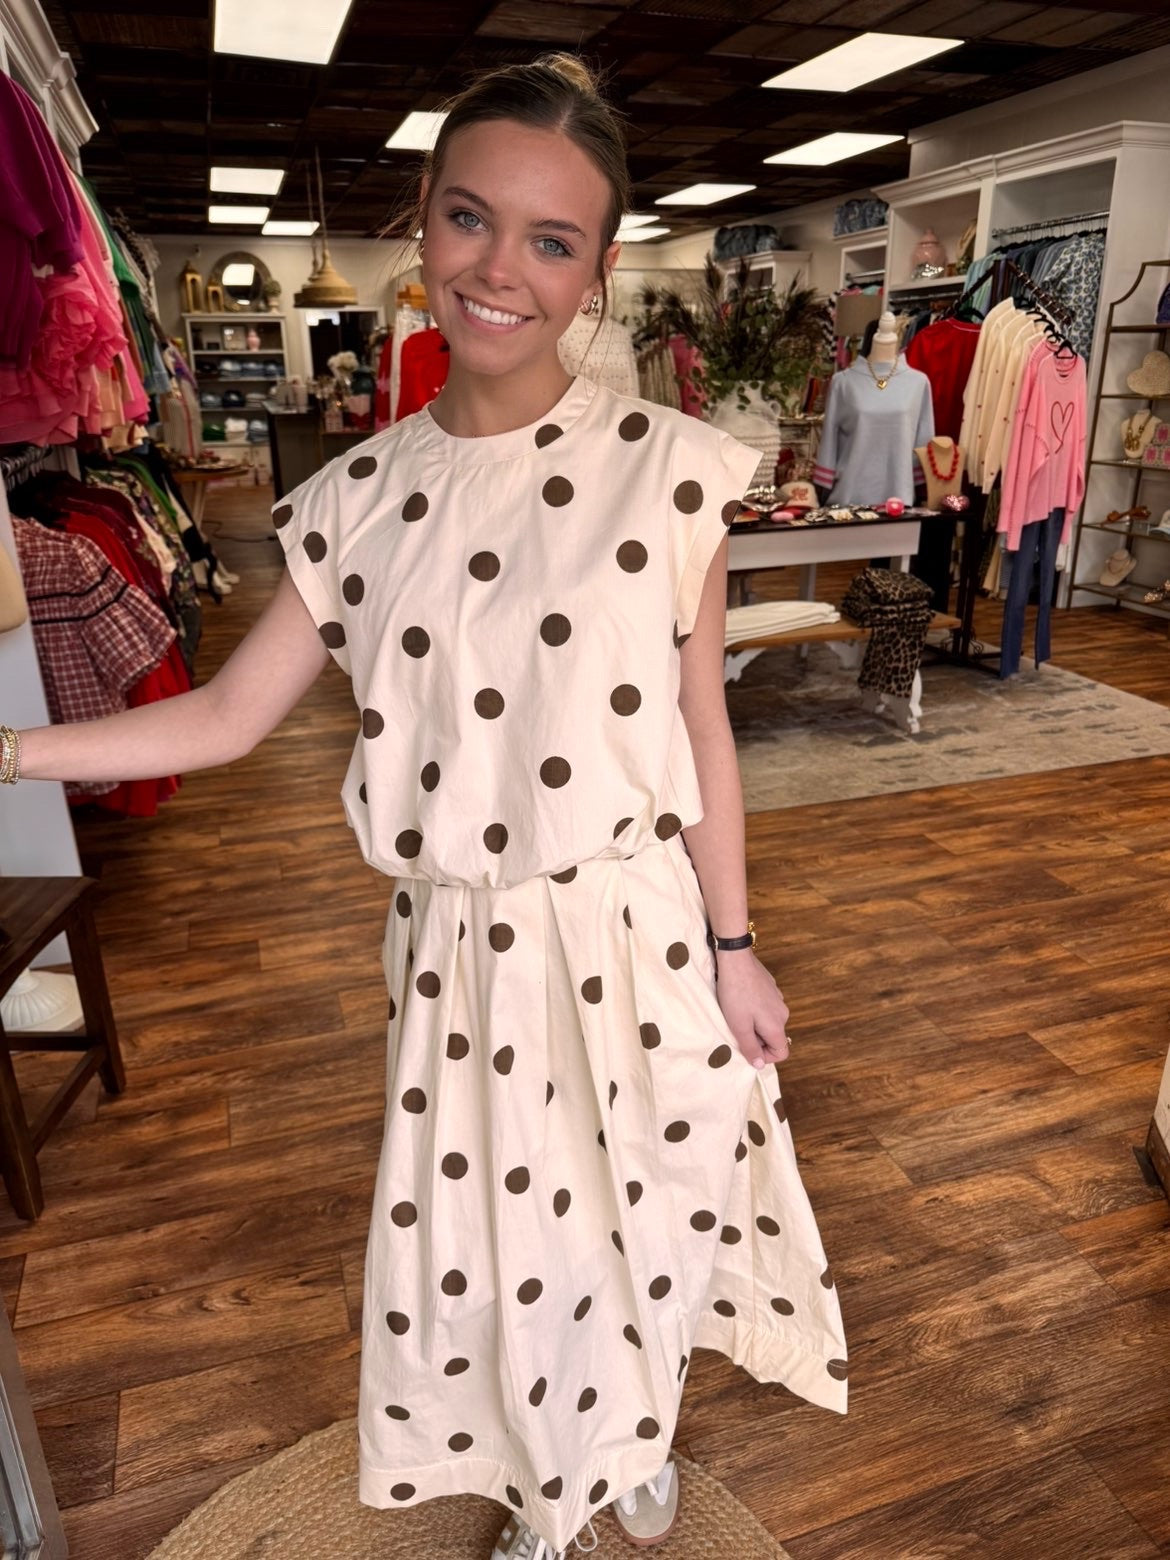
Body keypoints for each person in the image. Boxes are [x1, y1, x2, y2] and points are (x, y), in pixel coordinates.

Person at [1, 52, 847, 1560]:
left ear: (595, 271)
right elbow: (225, 716)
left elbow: (701, 725)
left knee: (648, 1203)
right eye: (471, 217)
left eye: (552, 239)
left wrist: (736, 943)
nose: (500, 269)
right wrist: (8, 753)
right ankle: (545, 1482)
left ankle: (627, 1433)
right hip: (459, 949)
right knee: (503, 1241)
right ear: (422, 222)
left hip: (635, 923)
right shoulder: (354, 499)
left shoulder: (671, 473)